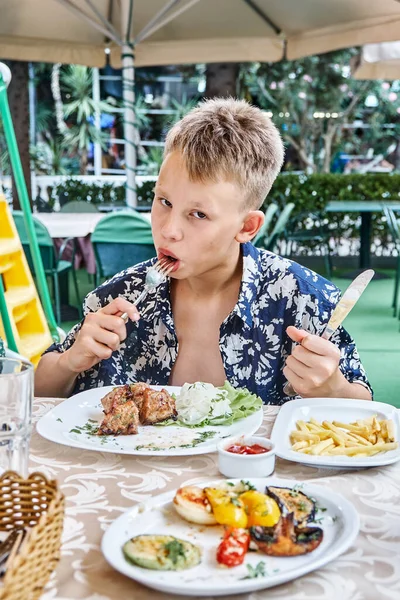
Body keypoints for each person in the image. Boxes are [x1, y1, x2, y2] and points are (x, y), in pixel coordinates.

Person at [35, 99, 372, 404]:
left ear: (247, 227)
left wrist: (334, 389)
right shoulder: (120, 295)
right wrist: (69, 362)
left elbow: (365, 405)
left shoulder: (302, 299)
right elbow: (38, 390)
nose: (169, 230)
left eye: (198, 214)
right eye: (164, 201)